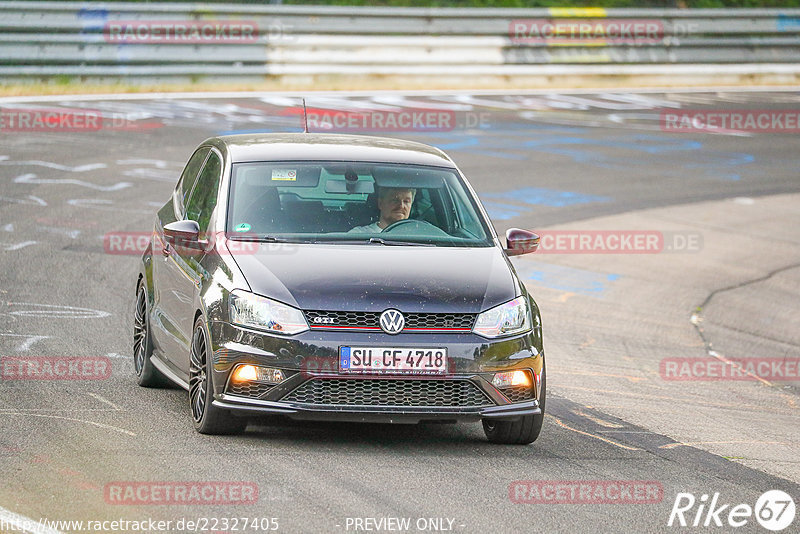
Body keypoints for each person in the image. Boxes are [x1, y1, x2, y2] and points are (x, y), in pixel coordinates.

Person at [349, 187, 415, 233]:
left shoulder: (418, 237)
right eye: (395, 200)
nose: (401, 206)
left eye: (406, 201)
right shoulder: (359, 235)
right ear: (380, 203)